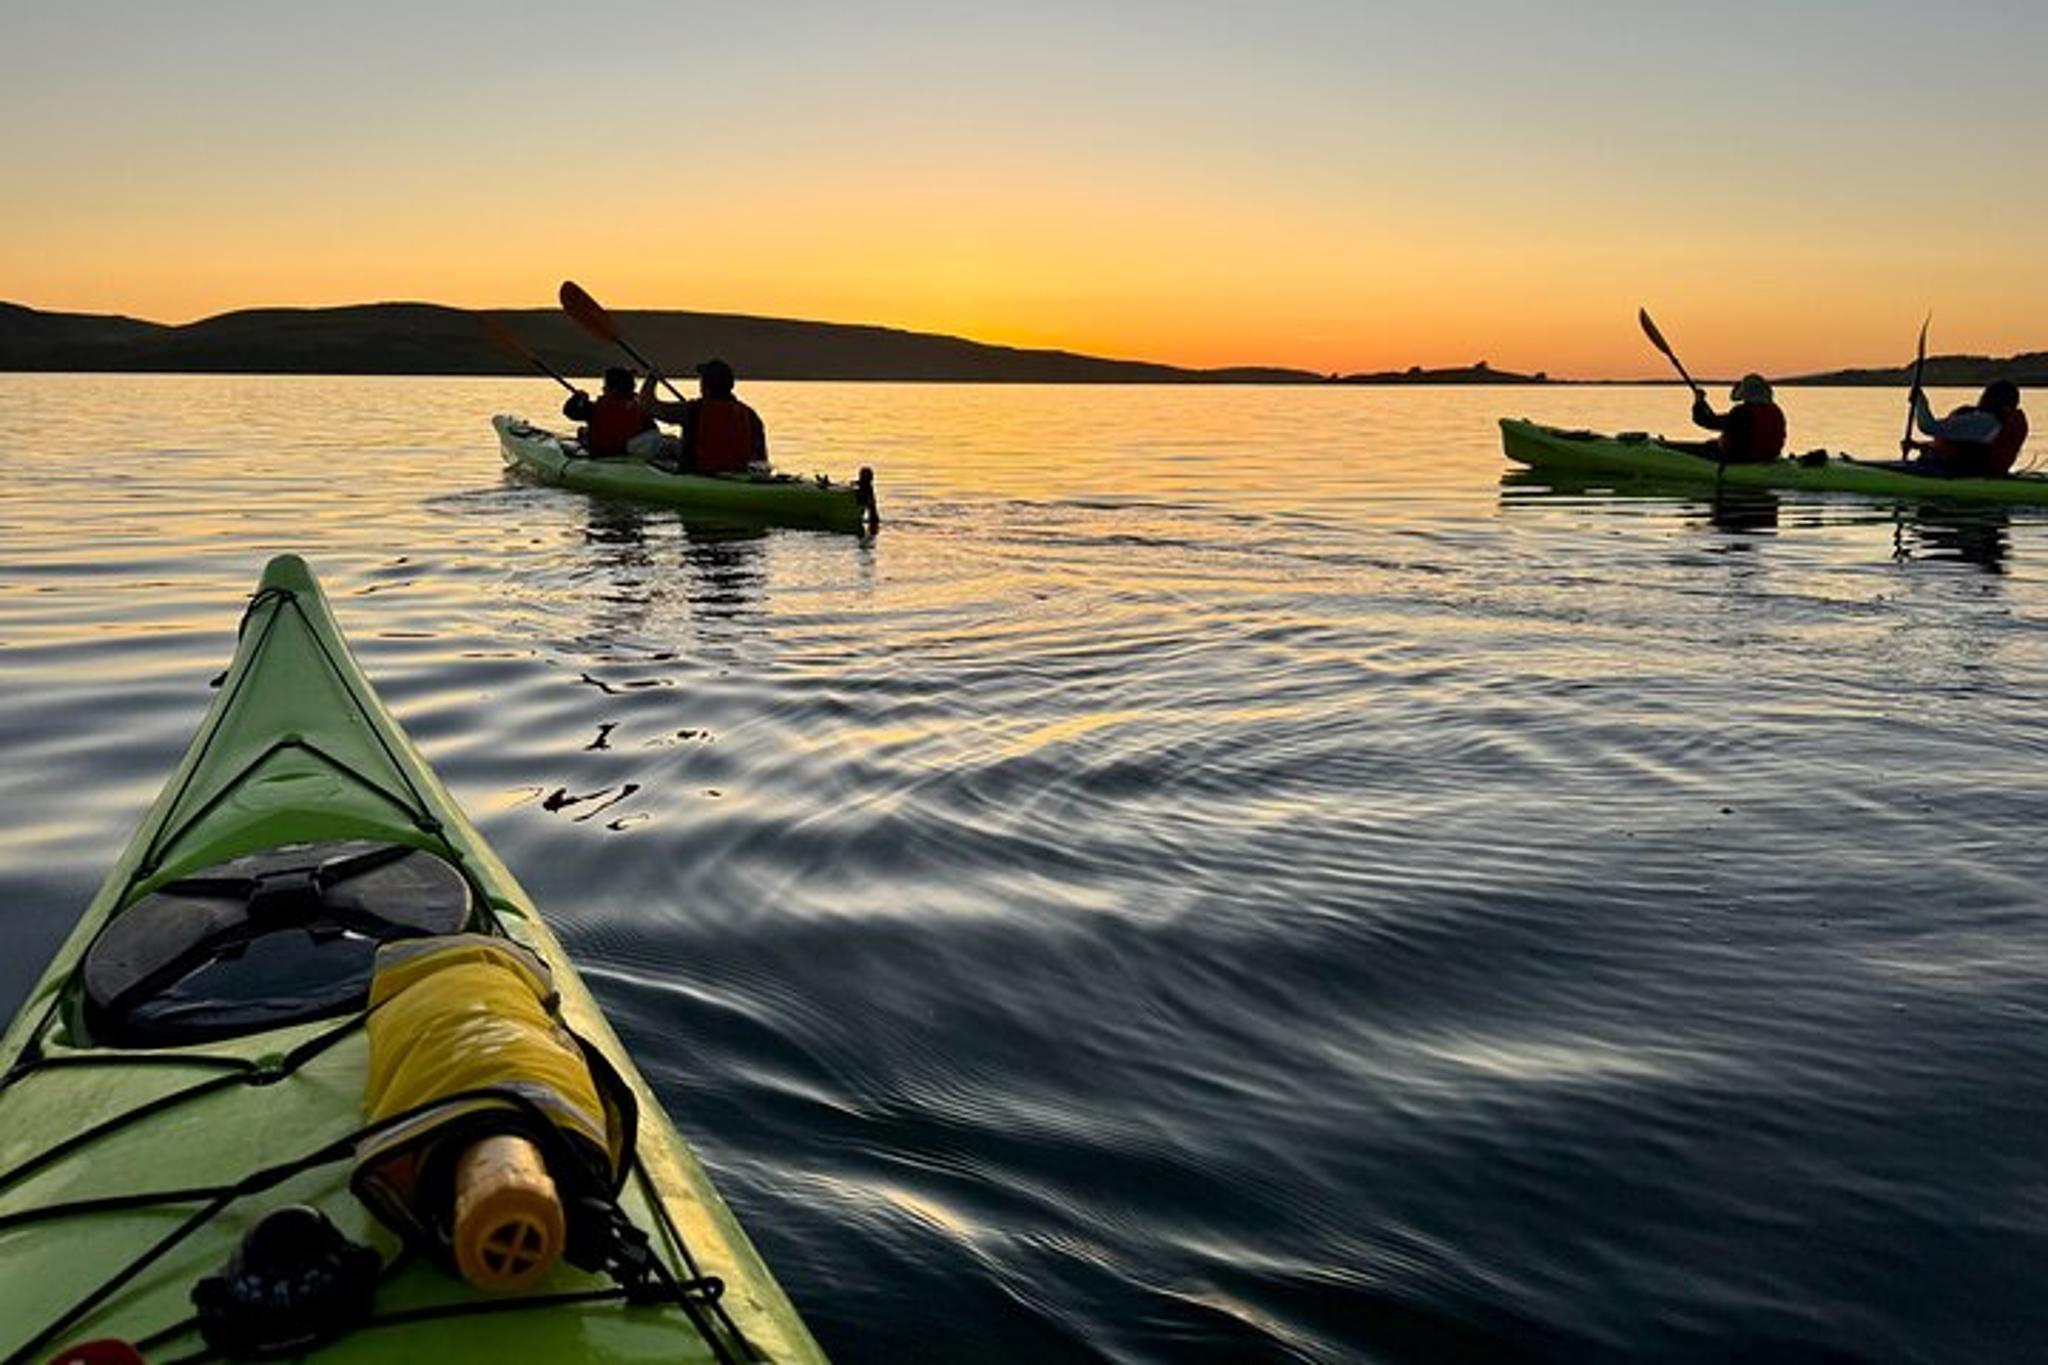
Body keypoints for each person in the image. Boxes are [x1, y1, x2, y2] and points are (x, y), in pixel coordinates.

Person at [639, 359, 768, 474]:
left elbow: (649, 406)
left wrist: (652, 379)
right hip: (738, 475)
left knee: (660, 445)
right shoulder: (750, 415)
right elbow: (761, 461)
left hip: (698, 473)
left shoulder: (692, 410)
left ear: (705, 386)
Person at [1903, 380, 2027, 477]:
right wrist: (1920, 446)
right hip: (1984, 474)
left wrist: (1919, 399)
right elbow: (1970, 448)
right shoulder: (1997, 423)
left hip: (1958, 474)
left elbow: (1927, 426)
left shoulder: (1983, 422)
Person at [1687, 373, 1787, 464]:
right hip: (1769, 456)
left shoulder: (1742, 412)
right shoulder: (1776, 410)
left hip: (1742, 459)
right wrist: (1702, 403)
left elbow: (1706, 421)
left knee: (1705, 448)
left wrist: (1698, 403)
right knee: (1711, 444)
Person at [561, 367, 656, 458]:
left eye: (606, 386)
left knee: (582, 432)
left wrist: (578, 397)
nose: (603, 389)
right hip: (626, 451)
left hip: (603, 453)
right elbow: (652, 431)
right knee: (584, 431)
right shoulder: (640, 407)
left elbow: (569, 411)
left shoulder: (594, 408)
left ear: (613, 389)